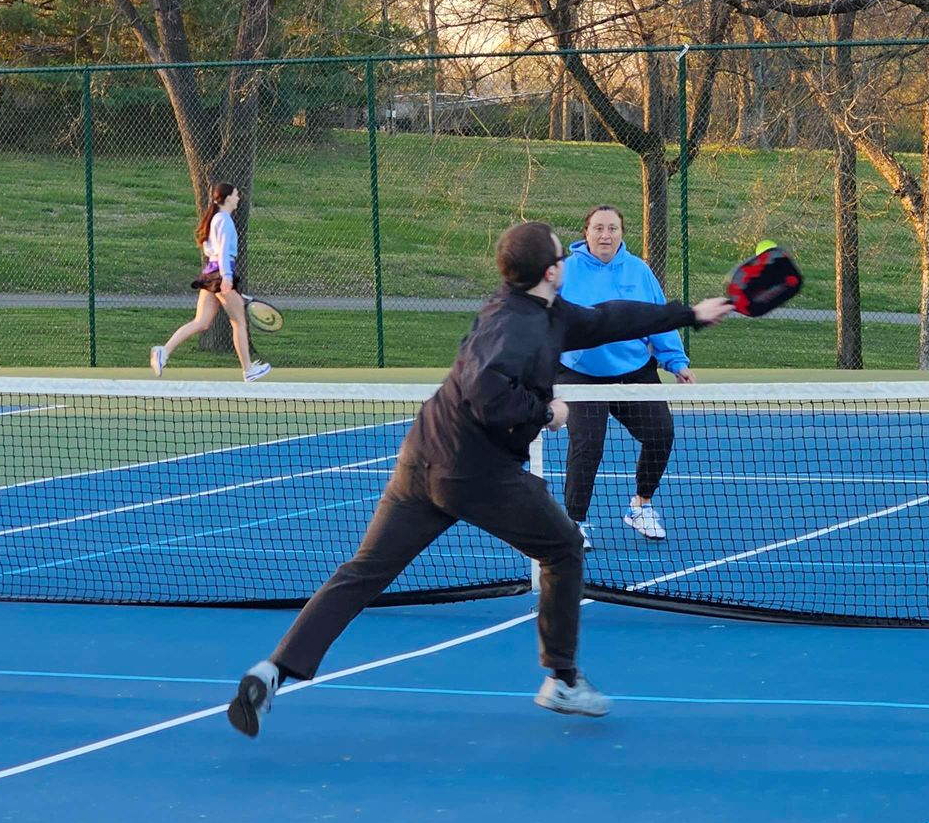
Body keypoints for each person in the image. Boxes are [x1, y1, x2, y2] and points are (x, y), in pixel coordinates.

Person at [226, 220, 734, 738]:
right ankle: (561, 679)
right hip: (474, 471)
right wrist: (546, 412)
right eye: (561, 254)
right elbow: (486, 391)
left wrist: (690, 314)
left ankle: (274, 670)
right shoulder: (516, 327)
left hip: (422, 457)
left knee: (364, 571)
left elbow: (611, 318)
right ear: (551, 271)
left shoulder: (542, 312)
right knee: (563, 549)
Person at [555, 204, 692, 546]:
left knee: (660, 433)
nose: (605, 235)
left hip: (634, 372)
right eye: (599, 228)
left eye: (612, 228)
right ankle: (574, 522)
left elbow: (658, 319)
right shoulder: (565, 271)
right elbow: (545, 321)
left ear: (621, 234)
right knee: (588, 444)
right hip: (580, 374)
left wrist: (676, 361)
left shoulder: (638, 271)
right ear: (586, 233)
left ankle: (640, 506)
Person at [151, 181, 270, 381]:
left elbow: (209, 249)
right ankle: (248, 370)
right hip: (220, 274)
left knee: (202, 322)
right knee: (239, 322)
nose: (238, 198)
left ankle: (163, 351)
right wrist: (227, 277)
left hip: (211, 273)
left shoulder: (215, 219)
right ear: (227, 198)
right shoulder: (224, 220)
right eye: (236, 194)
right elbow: (222, 252)